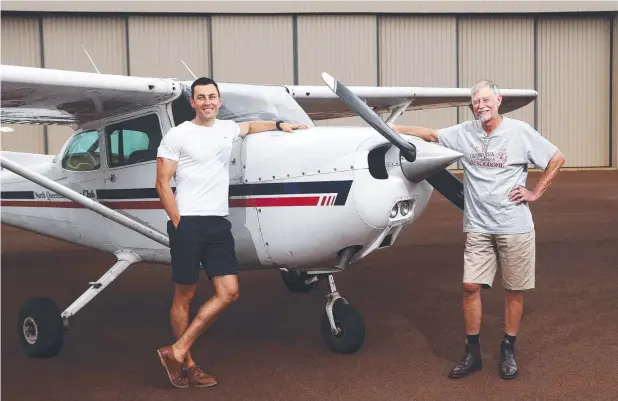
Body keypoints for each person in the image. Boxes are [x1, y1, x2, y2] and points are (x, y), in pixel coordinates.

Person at [389, 80, 565, 380]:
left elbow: (556, 158)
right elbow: (431, 134)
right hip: (478, 226)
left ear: (498, 100)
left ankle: (508, 348)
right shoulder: (464, 133)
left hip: (514, 226)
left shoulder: (519, 132)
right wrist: (392, 129)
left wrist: (535, 192)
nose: (480, 106)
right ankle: (472, 353)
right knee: (470, 287)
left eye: (486, 100)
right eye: (475, 102)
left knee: (514, 289)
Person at [155, 77, 307, 389]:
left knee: (229, 292)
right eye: (201, 97)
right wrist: (179, 222)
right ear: (193, 103)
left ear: (219, 101)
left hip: (218, 224)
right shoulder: (177, 134)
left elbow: (250, 127)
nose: (207, 101)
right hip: (188, 224)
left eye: (212, 96)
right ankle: (189, 364)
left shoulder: (226, 129)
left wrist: (280, 125)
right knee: (185, 294)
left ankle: (177, 351)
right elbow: (162, 182)